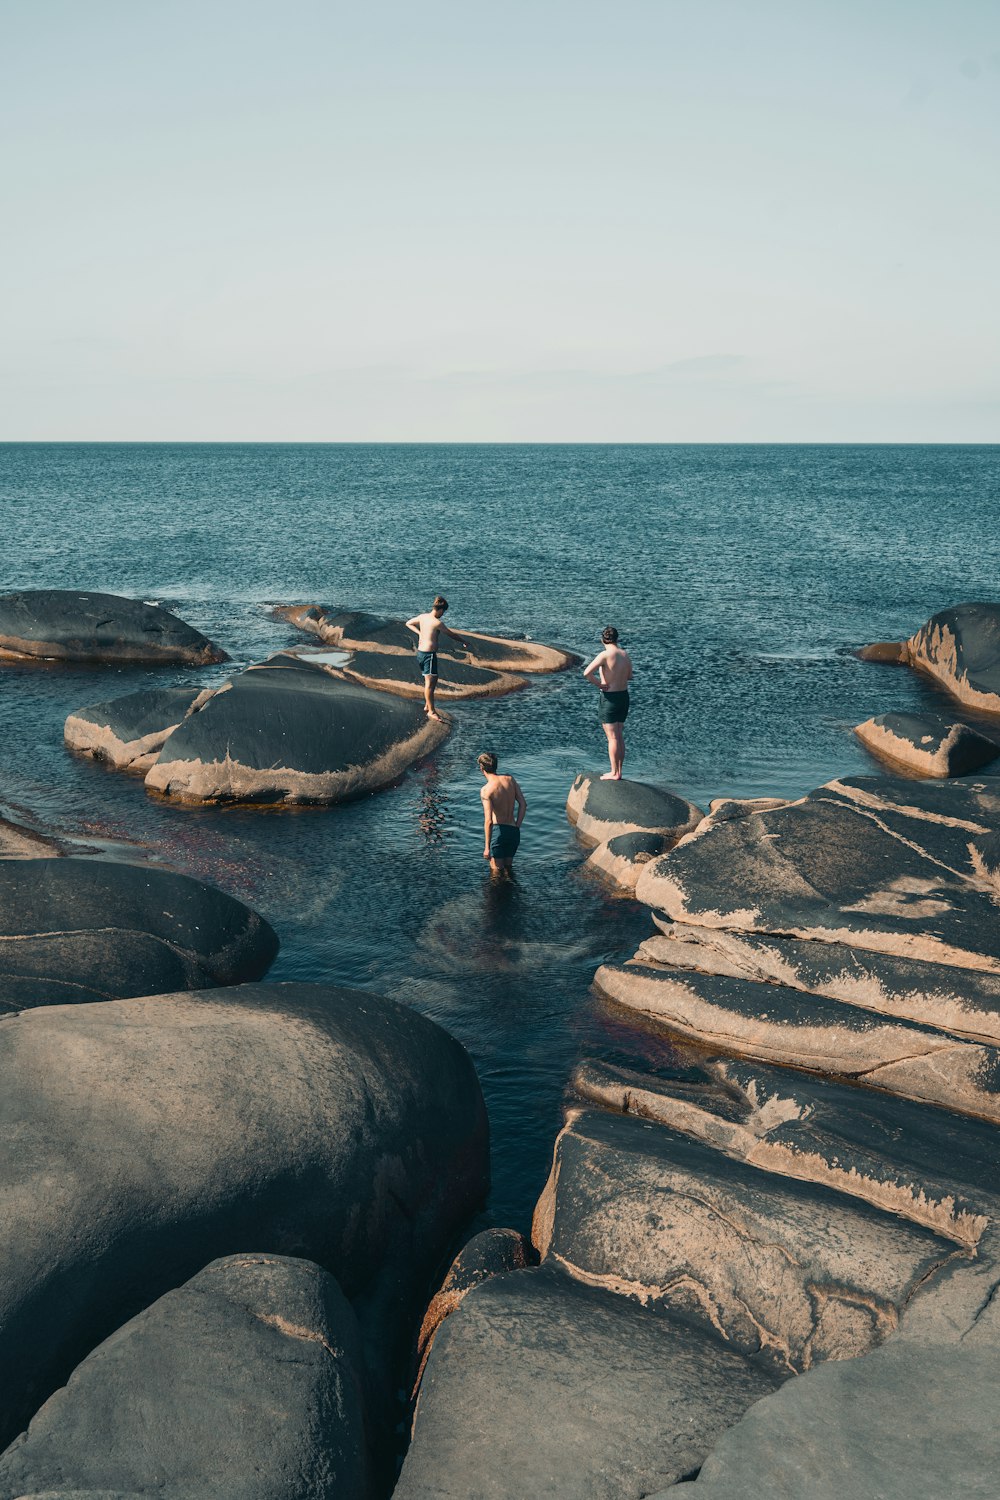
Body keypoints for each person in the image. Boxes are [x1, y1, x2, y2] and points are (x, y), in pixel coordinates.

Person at [404, 596, 470, 721]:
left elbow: (408, 623)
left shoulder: (423, 617)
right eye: (443, 612)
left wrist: (419, 633)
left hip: (421, 653)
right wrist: (463, 641)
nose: (443, 614)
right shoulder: (436, 622)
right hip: (428, 655)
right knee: (430, 684)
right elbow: (451, 634)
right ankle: (431, 711)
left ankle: (427, 705)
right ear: (440, 610)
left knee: (431, 680)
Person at [582, 626, 633, 780]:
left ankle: (614, 772)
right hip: (624, 697)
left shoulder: (604, 655)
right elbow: (630, 676)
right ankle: (619, 771)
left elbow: (586, 673)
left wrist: (600, 683)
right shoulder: (624, 654)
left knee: (612, 738)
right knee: (619, 736)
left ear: (602, 639)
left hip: (609, 698)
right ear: (617, 639)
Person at [478, 751, 527, 876]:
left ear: (481, 768)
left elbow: (488, 821)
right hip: (513, 831)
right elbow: (523, 804)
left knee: (496, 873)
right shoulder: (510, 779)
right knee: (508, 870)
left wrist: (487, 847)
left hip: (498, 831)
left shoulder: (486, 790)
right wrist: (517, 826)